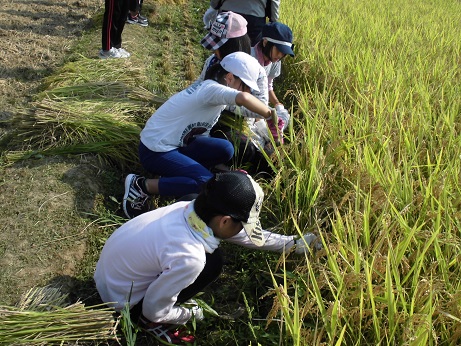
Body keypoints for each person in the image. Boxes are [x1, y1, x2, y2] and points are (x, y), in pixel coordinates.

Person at [95, 171, 321, 344]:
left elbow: (244, 237)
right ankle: (145, 325)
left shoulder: (189, 207)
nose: (244, 230)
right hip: (122, 301)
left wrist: (292, 244)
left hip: (108, 275)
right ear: (224, 220)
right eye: (242, 223)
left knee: (209, 259)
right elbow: (154, 309)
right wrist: (190, 314)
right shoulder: (189, 257)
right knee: (212, 264)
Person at [122, 51, 278, 219]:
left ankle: (182, 175)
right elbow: (243, 98)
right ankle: (142, 186)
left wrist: (223, 172)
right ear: (230, 77)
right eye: (245, 85)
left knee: (225, 148)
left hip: (175, 145)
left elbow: (203, 135)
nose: (247, 90)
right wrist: (270, 114)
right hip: (155, 150)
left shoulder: (216, 98)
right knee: (206, 184)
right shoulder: (210, 89)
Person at [204, 0, 280, 46]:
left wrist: (213, 6)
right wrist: (273, 20)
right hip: (255, 17)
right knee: (249, 55)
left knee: (222, 49)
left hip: (228, 13)